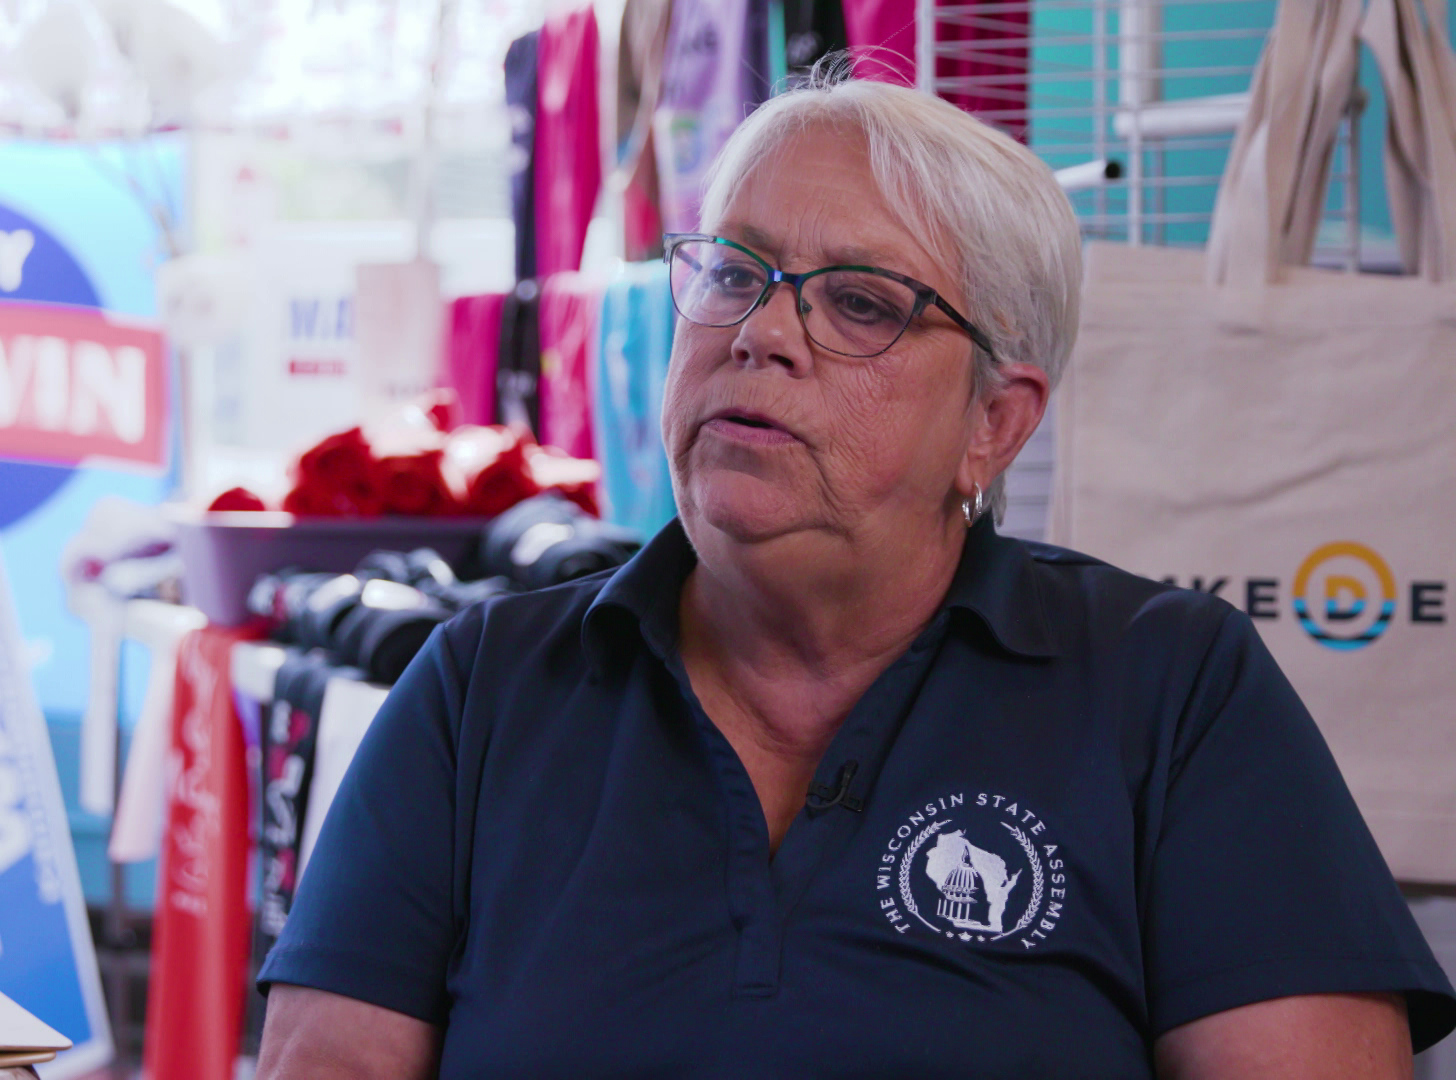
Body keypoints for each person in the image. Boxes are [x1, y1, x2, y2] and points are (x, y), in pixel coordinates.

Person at [252, 70, 1456, 1078]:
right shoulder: (484, 688)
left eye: (863, 305)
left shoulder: (1171, 689)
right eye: (733, 272)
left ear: (995, 422)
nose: (761, 332)